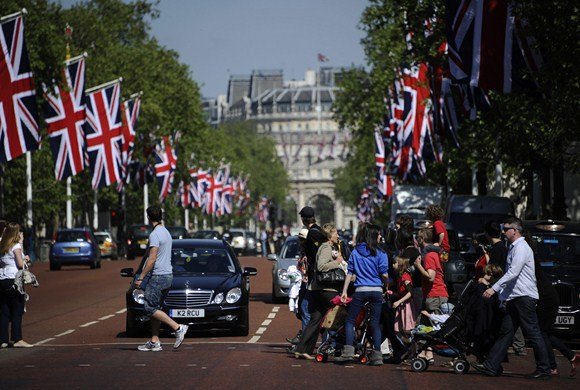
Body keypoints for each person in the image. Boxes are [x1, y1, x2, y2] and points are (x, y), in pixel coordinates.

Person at [473, 217, 551, 379]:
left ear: (514, 230)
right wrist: (504, 297)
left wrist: (494, 289)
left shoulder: (522, 248)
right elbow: (513, 277)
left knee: (533, 332)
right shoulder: (514, 247)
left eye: (506, 228)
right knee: (506, 331)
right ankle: (491, 365)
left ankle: (544, 369)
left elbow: (513, 273)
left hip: (524, 297)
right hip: (516, 297)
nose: (503, 231)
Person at [335, 223, 389, 366]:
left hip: (360, 290)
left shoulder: (355, 252)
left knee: (350, 321)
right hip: (377, 291)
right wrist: (387, 285)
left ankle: (348, 352)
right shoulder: (381, 253)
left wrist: (345, 291)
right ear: (373, 236)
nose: (380, 236)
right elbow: (384, 273)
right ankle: (377, 355)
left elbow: (350, 272)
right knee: (375, 323)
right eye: (378, 234)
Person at [135, 206, 188, 352]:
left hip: (158, 276)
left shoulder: (155, 234)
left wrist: (141, 277)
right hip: (168, 275)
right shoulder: (166, 232)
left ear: (148, 217)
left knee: (148, 307)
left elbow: (151, 259)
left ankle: (178, 327)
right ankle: (154, 340)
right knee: (156, 308)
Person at [294, 223, 346, 360]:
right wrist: (338, 262)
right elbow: (322, 266)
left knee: (315, 320)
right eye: (335, 233)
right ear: (329, 236)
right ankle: (341, 346)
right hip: (326, 289)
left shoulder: (327, 247)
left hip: (318, 289)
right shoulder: (326, 247)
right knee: (343, 312)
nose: (338, 235)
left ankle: (302, 349)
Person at [535, 258, 580, 377]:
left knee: (541, 332)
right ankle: (572, 356)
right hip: (545, 298)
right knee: (544, 332)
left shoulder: (527, 256)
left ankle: (552, 366)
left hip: (546, 298)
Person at [414, 227, 448, 363]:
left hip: (435, 294)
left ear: (422, 239)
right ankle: (426, 353)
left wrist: (418, 266)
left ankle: (429, 354)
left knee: (431, 326)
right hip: (435, 294)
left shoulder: (428, 256)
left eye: (417, 238)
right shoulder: (435, 254)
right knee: (426, 324)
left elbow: (430, 276)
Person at [0, 223, 33, 348]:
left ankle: (2, 339)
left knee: (4, 310)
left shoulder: (2, 244)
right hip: (14, 280)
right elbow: (20, 264)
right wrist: (26, 259)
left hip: (2, 279)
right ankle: (17, 338)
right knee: (17, 309)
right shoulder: (16, 246)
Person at [392, 256, 416, 340]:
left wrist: (399, 301)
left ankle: (413, 348)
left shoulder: (405, 276)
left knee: (407, 329)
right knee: (400, 329)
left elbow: (410, 292)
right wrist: (393, 294)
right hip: (402, 305)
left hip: (407, 305)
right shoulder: (400, 277)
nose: (393, 265)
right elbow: (402, 293)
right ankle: (408, 348)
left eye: (394, 263)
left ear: (400, 265)